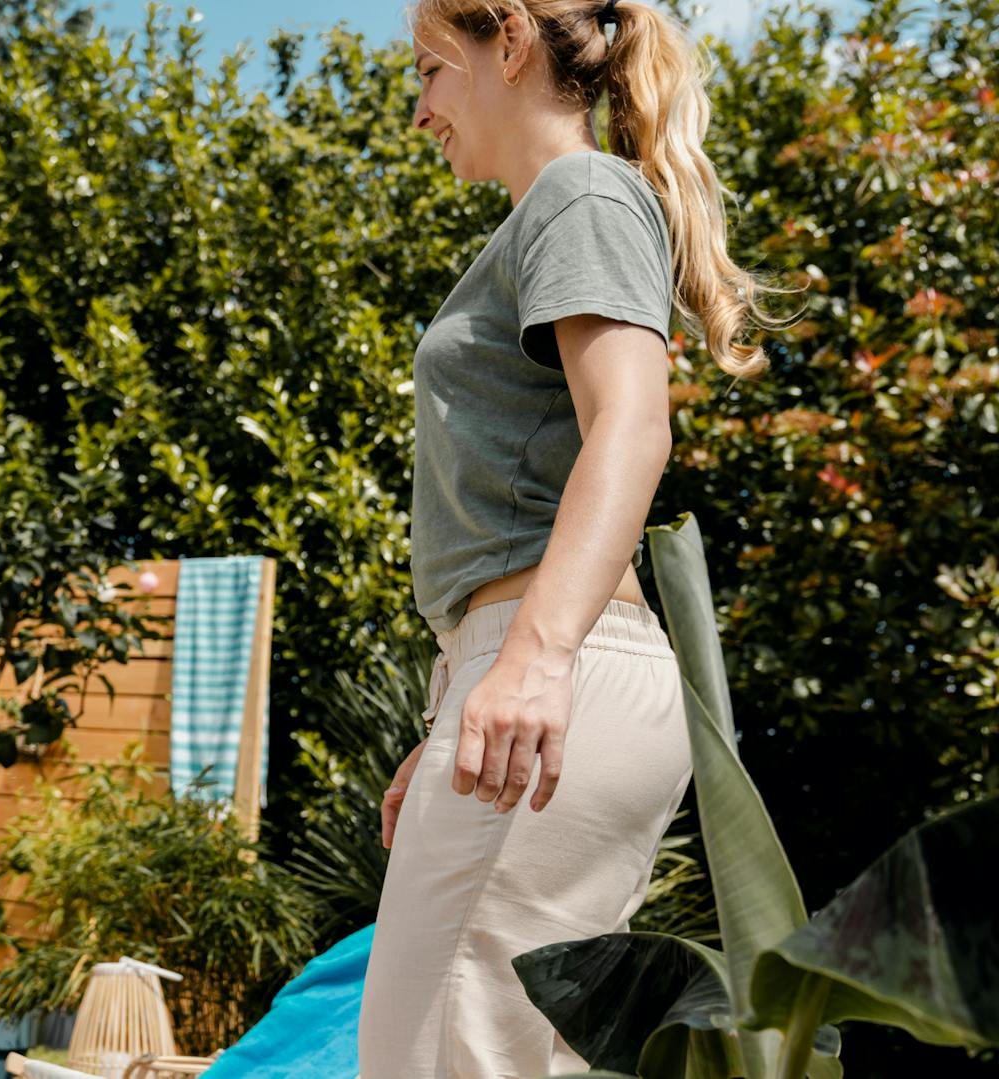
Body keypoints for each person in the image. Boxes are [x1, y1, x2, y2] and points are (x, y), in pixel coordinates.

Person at [357, 2, 789, 1075]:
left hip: (565, 660)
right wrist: (463, 698)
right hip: (547, 665)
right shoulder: (562, 208)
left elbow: (633, 425)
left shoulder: (580, 192)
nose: (420, 110)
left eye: (430, 70)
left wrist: (534, 659)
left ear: (508, 41)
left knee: (432, 1058)